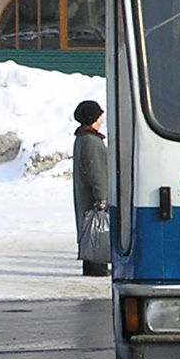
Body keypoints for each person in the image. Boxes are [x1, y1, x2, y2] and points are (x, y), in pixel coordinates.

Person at [72, 99, 111, 277]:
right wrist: (102, 197)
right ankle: (96, 266)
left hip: (88, 196)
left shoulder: (82, 138)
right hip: (92, 197)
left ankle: (93, 265)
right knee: (96, 230)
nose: (102, 119)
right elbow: (97, 172)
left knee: (90, 230)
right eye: (99, 115)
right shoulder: (91, 141)